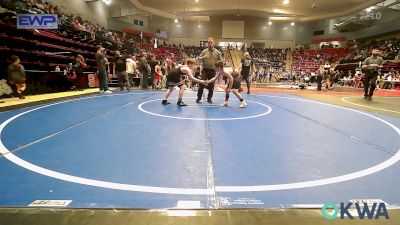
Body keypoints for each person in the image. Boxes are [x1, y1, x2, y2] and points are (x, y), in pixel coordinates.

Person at [196, 37, 223, 104]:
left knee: (211, 86)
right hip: (204, 70)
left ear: (213, 43)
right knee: (201, 84)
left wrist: (220, 70)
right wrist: (203, 57)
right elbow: (198, 59)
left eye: (211, 42)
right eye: (209, 43)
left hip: (213, 71)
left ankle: (209, 99)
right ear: (207, 43)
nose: (210, 44)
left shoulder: (217, 52)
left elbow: (221, 61)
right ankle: (199, 98)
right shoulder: (204, 51)